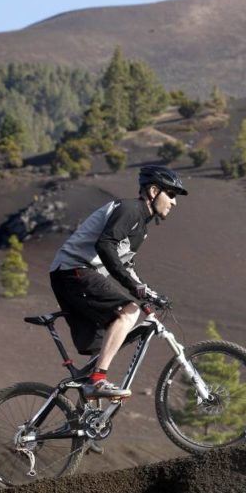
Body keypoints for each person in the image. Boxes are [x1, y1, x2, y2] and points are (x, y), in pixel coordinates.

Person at [49, 165, 187, 397]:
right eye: (171, 194)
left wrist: (148, 292)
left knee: (105, 343)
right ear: (154, 191)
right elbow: (105, 245)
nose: (174, 202)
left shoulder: (140, 228)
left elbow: (124, 265)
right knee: (129, 312)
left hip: (76, 275)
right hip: (73, 271)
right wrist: (135, 289)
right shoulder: (130, 209)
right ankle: (97, 381)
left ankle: (85, 413)